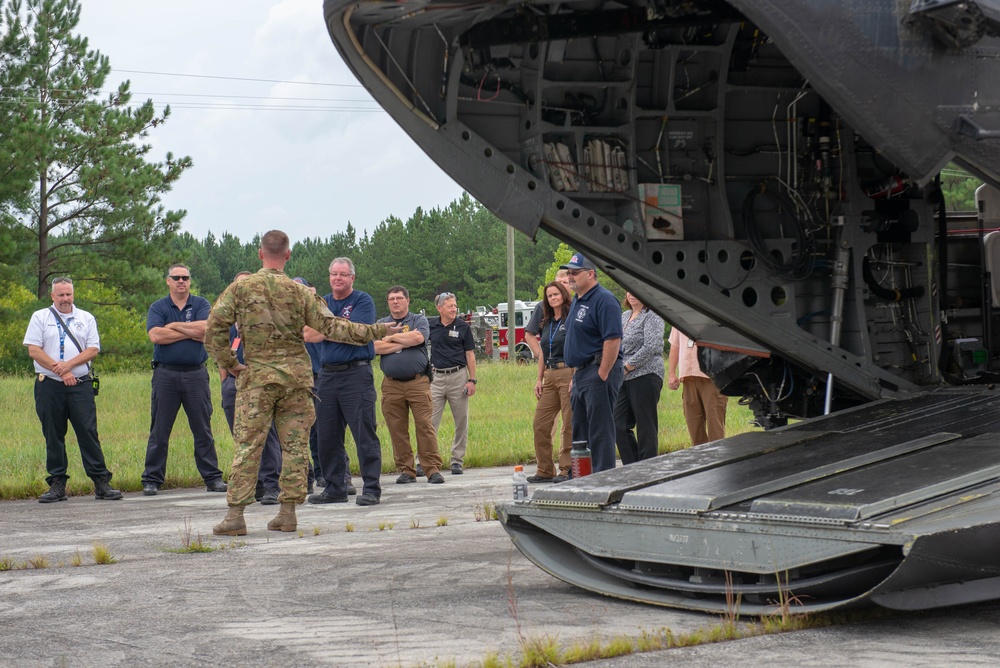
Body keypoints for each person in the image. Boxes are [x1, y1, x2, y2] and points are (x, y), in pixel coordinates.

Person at [206, 230, 395, 536]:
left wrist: (231, 365)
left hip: (257, 379)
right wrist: (376, 331)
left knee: (248, 446)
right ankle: (288, 512)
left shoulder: (240, 288)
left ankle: (236, 516)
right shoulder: (301, 293)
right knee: (295, 447)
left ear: (260, 253)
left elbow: (213, 328)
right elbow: (334, 327)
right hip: (296, 380)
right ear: (288, 255)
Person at [23, 277, 123, 503]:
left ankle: (101, 482)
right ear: (52, 296)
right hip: (49, 385)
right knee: (53, 434)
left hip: (80, 385)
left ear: (73, 294)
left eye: (69, 294)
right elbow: (34, 350)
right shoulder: (40, 317)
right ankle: (57, 484)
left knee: (88, 432)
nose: (66, 299)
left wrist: (68, 366)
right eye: (61, 295)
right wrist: (60, 371)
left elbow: (93, 349)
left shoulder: (86, 317)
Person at [141, 264, 226, 496]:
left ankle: (212, 478)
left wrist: (175, 326)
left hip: (196, 374)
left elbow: (207, 329)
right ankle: (152, 479)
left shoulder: (200, 304)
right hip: (165, 374)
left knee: (202, 428)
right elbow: (156, 335)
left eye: (185, 278)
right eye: (176, 277)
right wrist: (191, 331)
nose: (181, 281)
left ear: (190, 281)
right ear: (168, 280)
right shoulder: (158, 306)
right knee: (159, 429)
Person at [306, 258, 383, 507]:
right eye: (334, 274)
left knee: (364, 432)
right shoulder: (323, 302)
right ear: (329, 277)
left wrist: (330, 330)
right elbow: (308, 334)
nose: (338, 278)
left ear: (352, 278)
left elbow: (358, 333)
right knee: (327, 434)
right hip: (326, 375)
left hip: (356, 374)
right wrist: (341, 330)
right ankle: (335, 487)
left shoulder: (362, 300)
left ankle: (371, 488)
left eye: (343, 274)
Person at [220, 271, 282, 505]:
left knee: (265, 436)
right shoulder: (228, 321)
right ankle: (251, 485)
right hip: (233, 385)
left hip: (260, 385)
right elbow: (221, 353)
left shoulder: (267, 317)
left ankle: (271, 485)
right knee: (241, 437)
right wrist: (225, 381)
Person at [374, 286, 445, 485]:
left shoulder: (418, 320)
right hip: (391, 385)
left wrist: (390, 338)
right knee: (397, 429)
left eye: (399, 298)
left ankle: (431, 469)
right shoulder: (381, 323)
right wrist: (401, 342)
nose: (395, 302)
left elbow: (418, 337)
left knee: (424, 426)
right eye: (391, 299)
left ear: (407, 300)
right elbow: (375, 346)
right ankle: (407, 470)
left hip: (418, 383)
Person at [561, 252, 624, 473]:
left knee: (600, 431)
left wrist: (602, 374)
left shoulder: (604, 299)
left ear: (591, 273)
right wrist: (575, 377)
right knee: (579, 432)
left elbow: (613, 338)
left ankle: (602, 479)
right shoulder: (578, 300)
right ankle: (582, 478)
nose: (570, 276)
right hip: (581, 374)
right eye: (568, 272)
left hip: (598, 370)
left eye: (575, 272)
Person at [527, 281, 574, 483]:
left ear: (563, 295)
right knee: (540, 423)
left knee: (569, 423)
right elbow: (543, 353)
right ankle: (545, 469)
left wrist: (577, 375)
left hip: (568, 372)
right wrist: (539, 378)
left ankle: (567, 469)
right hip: (549, 373)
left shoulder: (571, 317)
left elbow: (580, 347)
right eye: (549, 296)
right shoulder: (547, 322)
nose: (553, 298)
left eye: (556, 294)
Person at [428, 292, 477, 474]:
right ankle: (426, 460)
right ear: (439, 308)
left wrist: (472, 380)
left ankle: (457, 460)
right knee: (429, 422)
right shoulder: (431, 325)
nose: (454, 309)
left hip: (458, 377)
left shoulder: (463, 327)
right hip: (436, 378)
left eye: (455, 306)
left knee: (461, 420)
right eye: (450, 306)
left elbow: (470, 354)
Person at [614, 291, 666, 464]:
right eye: (629, 291)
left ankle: (648, 468)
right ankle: (633, 467)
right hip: (624, 376)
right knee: (618, 425)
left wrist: (628, 367)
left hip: (646, 374)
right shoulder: (624, 316)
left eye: (636, 292)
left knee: (645, 425)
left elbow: (651, 346)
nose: (632, 295)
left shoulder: (652, 315)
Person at [293, 276, 333, 495]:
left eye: (302, 288)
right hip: (294, 380)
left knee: (322, 430)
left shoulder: (317, 312)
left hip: (317, 376)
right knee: (297, 431)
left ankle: (322, 473)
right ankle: (304, 475)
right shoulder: (284, 315)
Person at [668, 327, 728, 446]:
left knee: (715, 426)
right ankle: (702, 461)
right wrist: (671, 374)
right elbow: (675, 346)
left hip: (712, 377)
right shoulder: (678, 317)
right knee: (694, 426)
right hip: (688, 377)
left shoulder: (713, 314)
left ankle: (718, 462)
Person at [524, 269, 572, 360]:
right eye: (558, 282)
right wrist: (541, 356)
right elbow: (529, 334)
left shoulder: (576, 306)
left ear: (571, 285)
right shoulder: (542, 307)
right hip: (550, 365)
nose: (561, 285)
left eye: (565, 282)